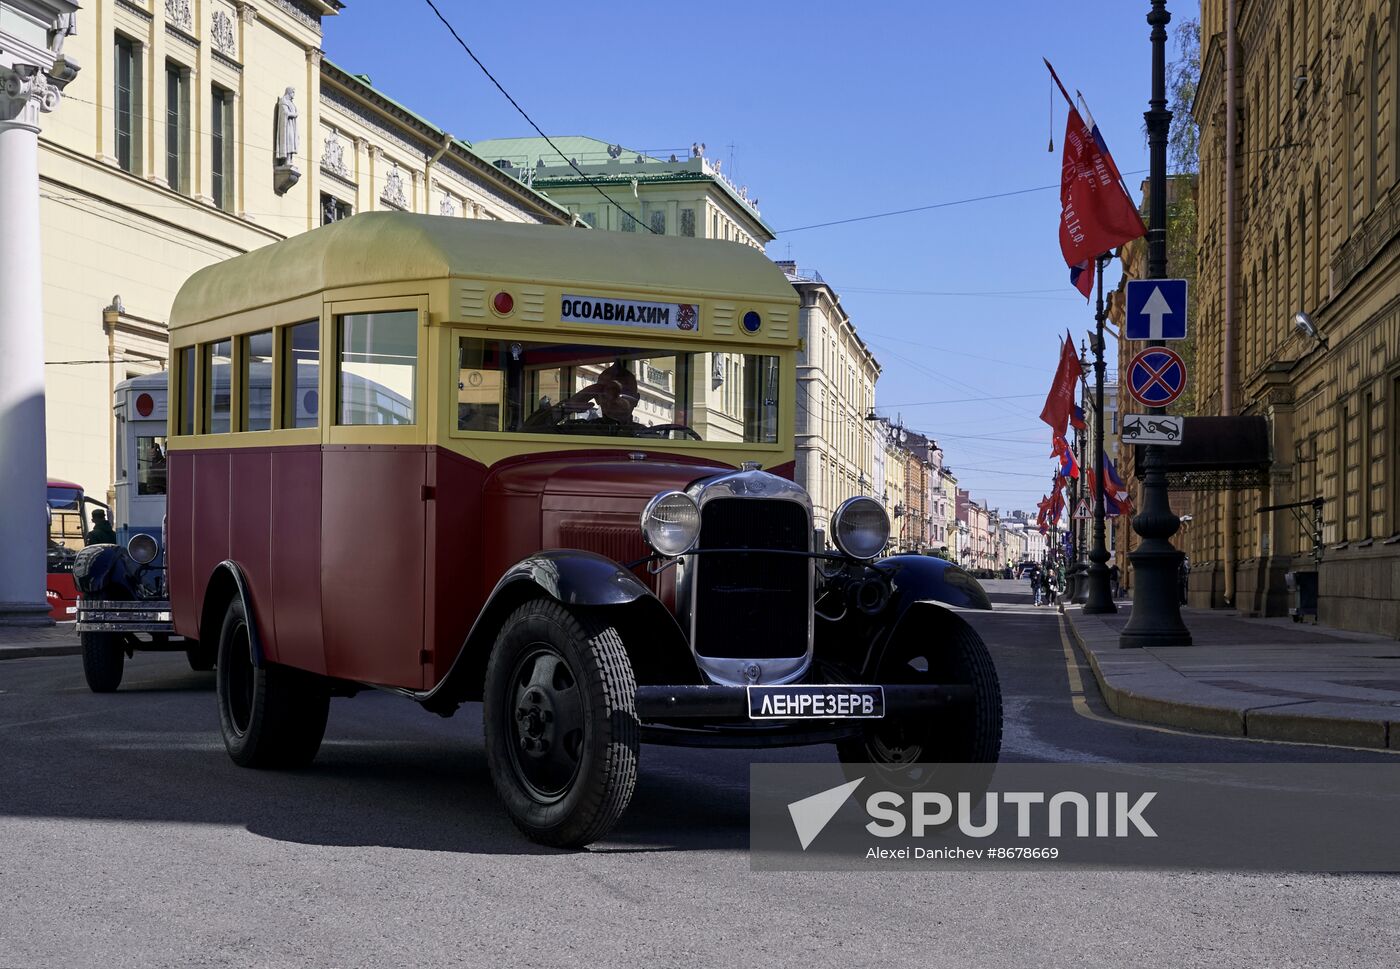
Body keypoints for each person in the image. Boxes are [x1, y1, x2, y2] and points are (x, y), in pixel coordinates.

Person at [524, 361, 640, 432]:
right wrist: (570, 404)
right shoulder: (580, 430)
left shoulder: (651, 435)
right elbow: (528, 432)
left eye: (624, 392)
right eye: (606, 392)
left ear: (637, 399)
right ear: (597, 398)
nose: (614, 397)